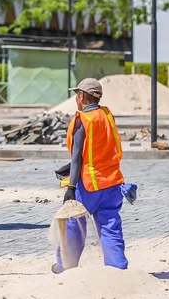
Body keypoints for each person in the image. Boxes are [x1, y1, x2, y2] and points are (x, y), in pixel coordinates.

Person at [52, 78, 129, 273]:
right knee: (110, 227)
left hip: (89, 185)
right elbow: (98, 150)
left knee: (73, 224)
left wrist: (70, 188)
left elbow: (78, 155)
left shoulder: (82, 120)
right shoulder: (106, 115)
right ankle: (117, 267)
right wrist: (69, 166)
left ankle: (64, 265)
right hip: (112, 182)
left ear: (81, 96)